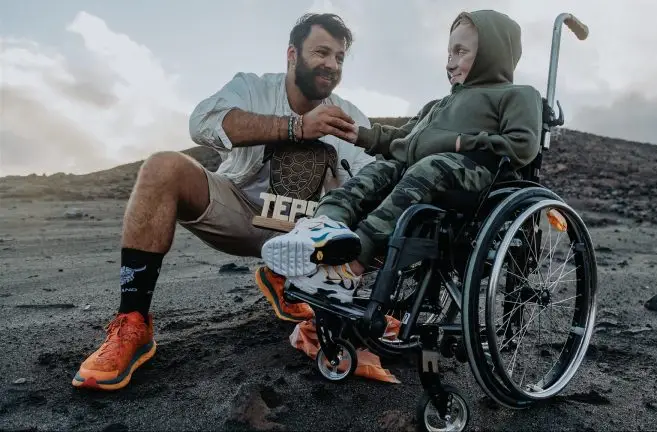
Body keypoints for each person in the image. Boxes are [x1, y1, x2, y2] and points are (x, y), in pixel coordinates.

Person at [71, 13, 376, 391]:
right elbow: (202, 122)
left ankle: (290, 277)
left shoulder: (348, 115)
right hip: (240, 212)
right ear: (292, 55)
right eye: (322, 52)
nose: (331, 64)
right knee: (162, 166)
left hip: (303, 234)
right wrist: (295, 128)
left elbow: (371, 176)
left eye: (340, 57)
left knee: (380, 211)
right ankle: (133, 322)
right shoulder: (253, 88)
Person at [259, 9, 543, 304]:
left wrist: (458, 142)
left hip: (478, 180)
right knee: (380, 170)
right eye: (448, 53)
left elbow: (522, 146)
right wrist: (361, 134)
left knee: (430, 166)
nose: (451, 62)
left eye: (460, 51)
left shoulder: (518, 95)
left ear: (491, 53)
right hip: (422, 172)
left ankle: (349, 270)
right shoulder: (439, 104)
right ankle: (322, 229)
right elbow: (403, 140)